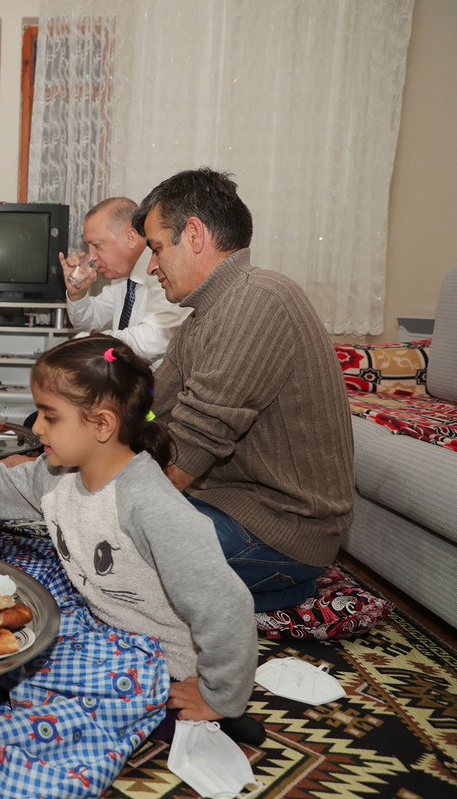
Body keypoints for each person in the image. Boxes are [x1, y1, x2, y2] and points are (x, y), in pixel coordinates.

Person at [0, 336, 258, 734]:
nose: (38, 427)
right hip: (107, 625)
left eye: (50, 416)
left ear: (102, 424)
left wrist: (219, 696)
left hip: (159, 659)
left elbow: (226, 603)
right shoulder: (54, 475)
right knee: (4, 646)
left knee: (18, 689)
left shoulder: (149, 504)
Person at [134, 167, 355, 612]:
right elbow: (154, 409)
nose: (152, 266)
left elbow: (195, 444)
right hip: (225, 505)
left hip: (280, 530)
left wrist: (109, 499)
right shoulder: (202, 318)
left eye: (156, 248)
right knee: (98, 528)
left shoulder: (258, 300)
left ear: (193, 234)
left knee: (111, 549)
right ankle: (264, 593)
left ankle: (279, 585)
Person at [61, 197, 190, 367]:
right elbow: (87, 321)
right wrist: (76, 293)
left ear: (130, 237)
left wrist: (91, 343)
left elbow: (153, 339)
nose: (91, 256)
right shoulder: (122, 279)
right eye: (89, 246)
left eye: (98, 246)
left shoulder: (165, 271)